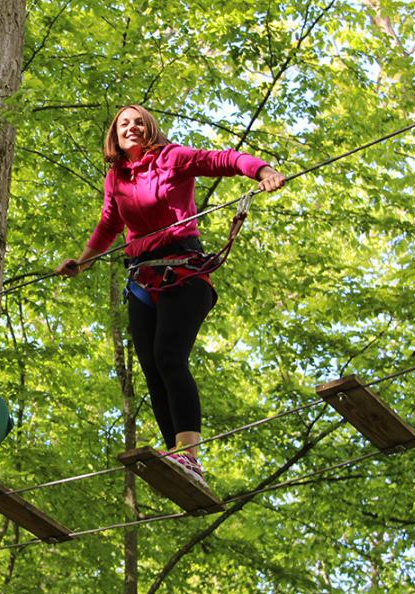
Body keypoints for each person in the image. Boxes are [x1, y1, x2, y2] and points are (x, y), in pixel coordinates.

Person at [55, 105, 285, 485]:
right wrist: (83, 262)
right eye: (124, 123)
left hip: (183, 273)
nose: (132, 127)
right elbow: (109, 224)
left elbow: (224, 159)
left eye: (139, 122)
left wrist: (263, 171)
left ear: (150, 129)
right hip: (142, 280)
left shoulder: (172, 158)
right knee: (152, 368)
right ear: (114, 135)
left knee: (169, 356)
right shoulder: (115, 177)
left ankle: (190, 455)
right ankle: (176, 457)